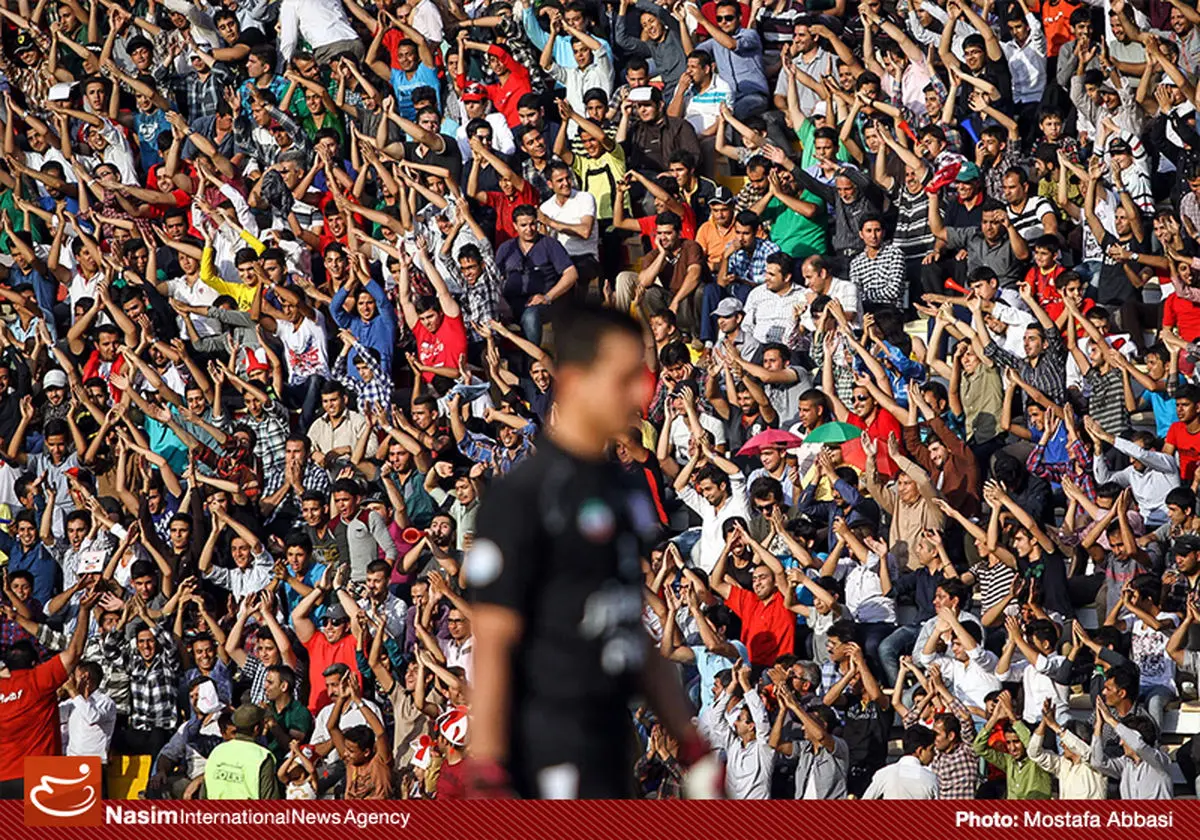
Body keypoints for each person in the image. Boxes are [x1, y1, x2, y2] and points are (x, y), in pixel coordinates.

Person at [466, 304, 712, 798]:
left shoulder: (620, 491)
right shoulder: (522, 497)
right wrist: (486, 773)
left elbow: (629, 626)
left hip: (614, 752)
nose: (642, 392)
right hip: (545, 756)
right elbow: (492, 644)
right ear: (575, 381)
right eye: (624, 379)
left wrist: (694, 747)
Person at [201, 704, 281, 799]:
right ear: (256, 728)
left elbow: (203, 795)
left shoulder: (217, 751)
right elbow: (269, 801)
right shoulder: (262, 757)